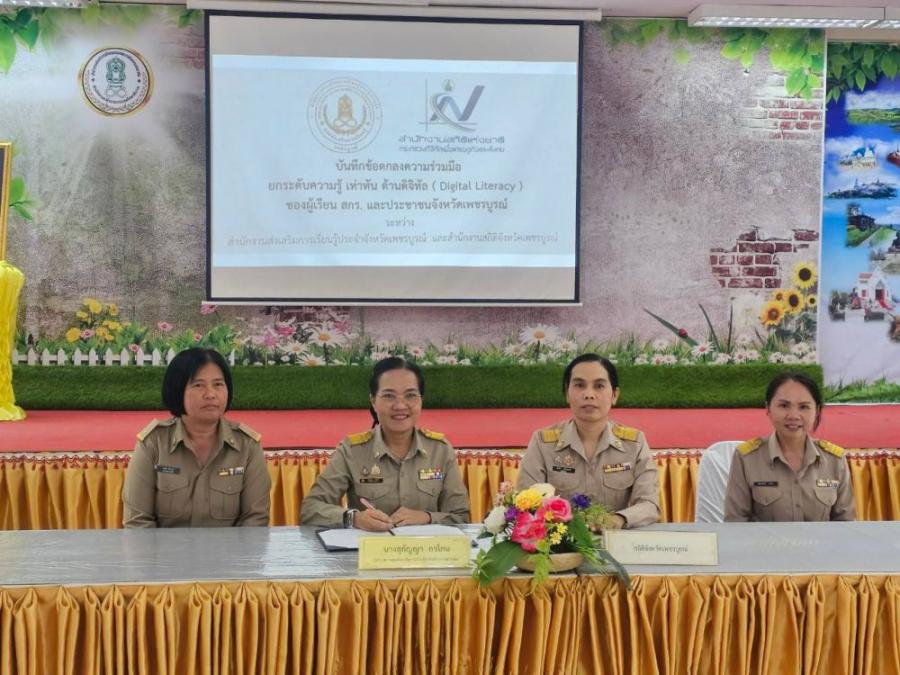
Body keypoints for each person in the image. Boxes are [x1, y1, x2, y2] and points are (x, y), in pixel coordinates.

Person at [301, 357, 470, 531]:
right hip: (370, 547)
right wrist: (354, 518)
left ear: (421, 400)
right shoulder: (352, 451)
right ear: (373, 401)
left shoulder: (440, 450)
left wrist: (427, 517)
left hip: (426, 547)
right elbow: (311, 509)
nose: (400, 405)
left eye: (410, 395)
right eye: (389, 396)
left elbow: (460, 516)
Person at [122, 348, 271, 527]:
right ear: (177, 390)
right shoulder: (153, 443)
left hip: (230, 547)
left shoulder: (247, 446)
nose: (211, 394)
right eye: (198, 385)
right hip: (165, 546)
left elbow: (255, 521)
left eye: (218, 384)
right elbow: (138, 522)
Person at [516, 353, 659, 529]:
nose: (589, 394)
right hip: (560, 542)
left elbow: (649, 504)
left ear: (614, 395)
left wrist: (618, 519)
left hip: (614, 537)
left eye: (599, 386)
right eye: (579, 385)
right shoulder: (543, 443)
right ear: (567, 393)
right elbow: (526, 502)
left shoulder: (634, 443)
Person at [724, 372, 855, 522]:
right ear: (768, 409)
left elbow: (845, 524)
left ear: (817, 410)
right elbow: (736, 522)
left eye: (804, 407)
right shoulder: (746, 459)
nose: (793, 416)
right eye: (784, 405)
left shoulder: (835, 460)